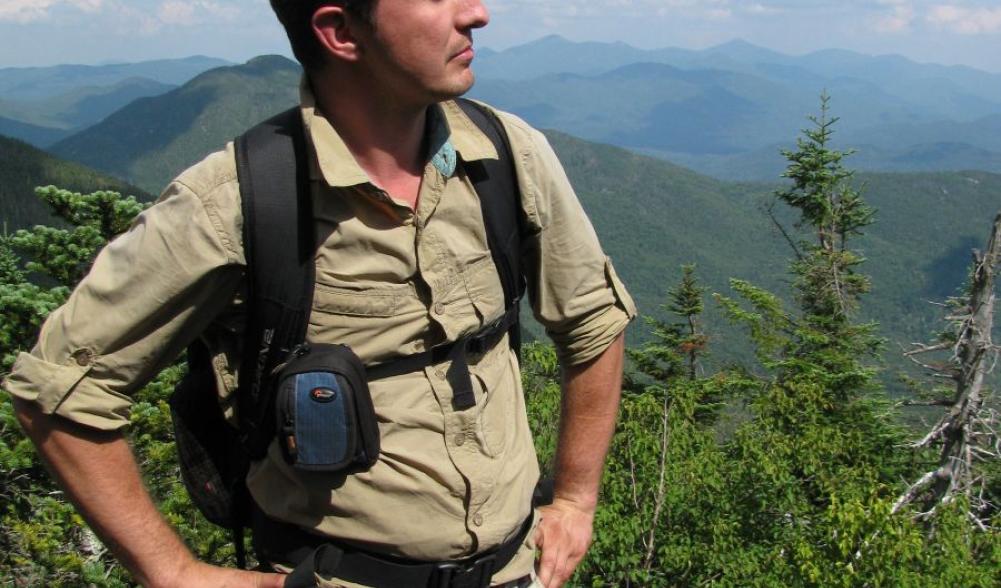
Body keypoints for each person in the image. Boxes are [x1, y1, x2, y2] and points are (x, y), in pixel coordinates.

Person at [4, 0, 636, 586]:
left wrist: (576, 501)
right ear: (340, 32)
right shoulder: (237, 203)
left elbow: (592, 320)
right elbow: (57, 391)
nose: (476, 13)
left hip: (516, 570)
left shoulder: (506, 154)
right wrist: (174, 573)